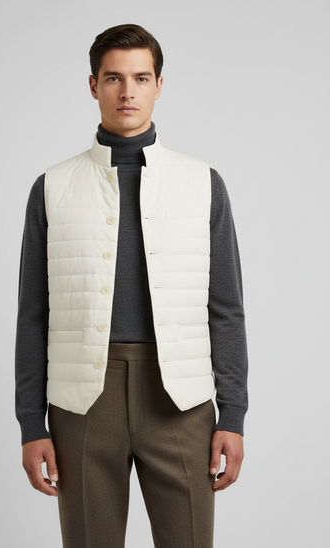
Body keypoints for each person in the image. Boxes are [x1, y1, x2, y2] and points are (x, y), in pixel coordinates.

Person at [15, 23, 248, 548]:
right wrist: (31, 424)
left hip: (180, 403)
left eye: (141, 78)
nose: (127, 91)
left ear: (159, 85)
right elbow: (33, 314)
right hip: (82, 405)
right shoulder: (52, 187)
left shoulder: (202, 184)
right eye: (113, 78)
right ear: (93, 85)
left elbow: (226, 308)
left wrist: (232, 414)